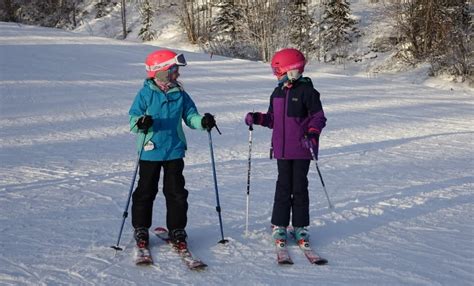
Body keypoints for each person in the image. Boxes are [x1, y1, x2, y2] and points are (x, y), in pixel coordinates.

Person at [129, 49, 216, 249]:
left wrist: (203, 121)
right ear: (161, 71)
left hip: (174, 150)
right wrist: (141, 123)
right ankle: (141, 227)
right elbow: (133, 119)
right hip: (150, 150)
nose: (178, 73)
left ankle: (177, 228)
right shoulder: (145, 94)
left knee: (176, 192)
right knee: (145, 190)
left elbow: (191, 116)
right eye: (174, 69)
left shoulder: (181, 94)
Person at [244, 48, 327, 245]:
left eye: (278, 71)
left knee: (299, 187)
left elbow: (318, 117)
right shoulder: (277, 92)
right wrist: (258, 118)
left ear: (292, 70)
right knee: (283, 186)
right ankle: (279, 225)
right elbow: (273, 119)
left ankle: (300, 226)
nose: (275, 76)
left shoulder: (308, 92)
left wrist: (313, 134)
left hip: (301, 149)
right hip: (282, 151)